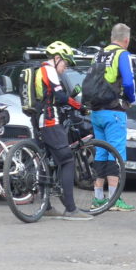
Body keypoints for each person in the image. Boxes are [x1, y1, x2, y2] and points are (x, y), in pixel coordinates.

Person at [35, 41, 92, 220]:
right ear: (57, 58)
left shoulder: (38, 70)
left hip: (38, 120)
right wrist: (79, 106)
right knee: (67, 160)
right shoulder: (48, 70)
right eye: (65, 63)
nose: (65, 68)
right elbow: (59, 95)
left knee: (48, 162)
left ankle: (47, 207)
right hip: (50, 121)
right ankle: (71, 209)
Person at [89, 23, 136, 212]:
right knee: (115, 154)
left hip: (96, 111)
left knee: (101, 152)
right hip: (114, 110)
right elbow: (128, 81)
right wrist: (130, 99)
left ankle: (98, 198)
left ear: (111, 38)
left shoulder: (98, 55)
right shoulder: (122, 55)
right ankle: (115, 199)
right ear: (127, 40)